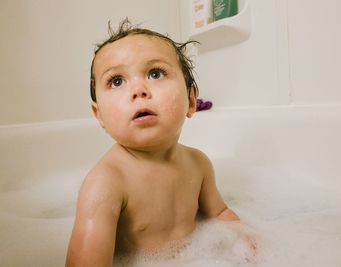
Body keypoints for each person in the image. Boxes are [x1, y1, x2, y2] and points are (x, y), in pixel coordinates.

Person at [65, 19, 254, 267]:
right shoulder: (105, 184)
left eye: (155, 73)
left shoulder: (199, 164)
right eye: (117, 81)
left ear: (190, 101)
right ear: (99, 115)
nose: (139, 90)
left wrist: (246, 239)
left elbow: (218, 213)